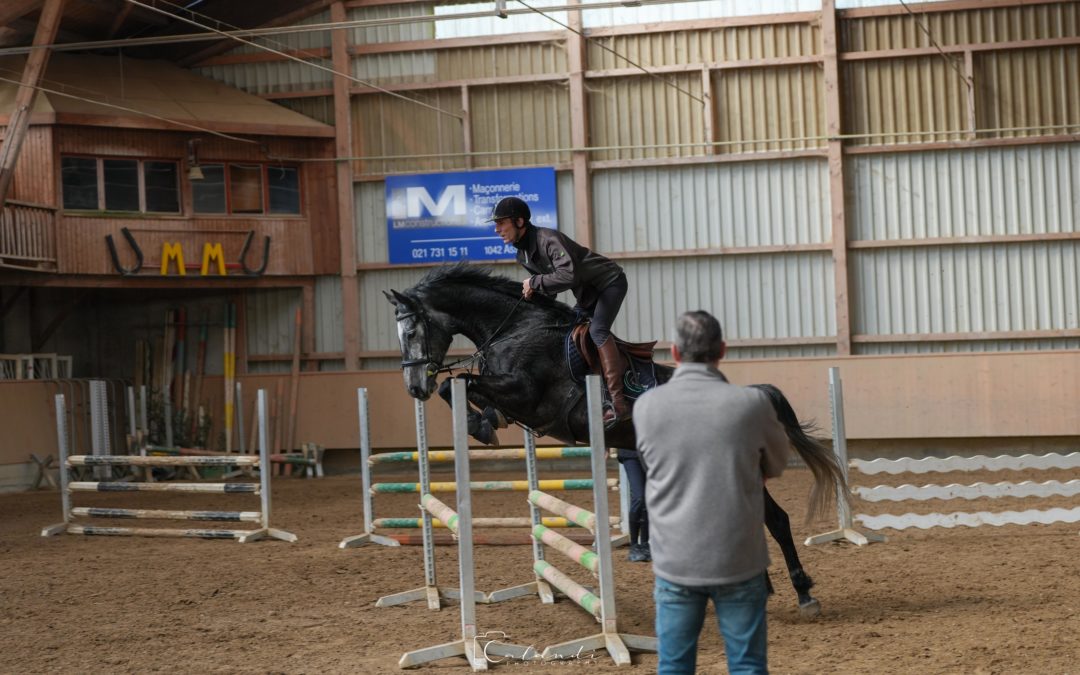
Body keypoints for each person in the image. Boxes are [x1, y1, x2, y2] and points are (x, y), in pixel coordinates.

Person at [633, 310, 789, 675]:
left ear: (674, 352)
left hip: (676, 560)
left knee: (674, 666)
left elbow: (653, 463)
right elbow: (778, 464)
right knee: (748, 665)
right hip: (739, 558)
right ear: (723, 349)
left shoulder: (647, 406)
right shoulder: (752, 403)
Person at [489, 196, 631, 426]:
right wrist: (531, 295)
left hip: (609, 283)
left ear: (520, 221)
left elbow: (568, 276)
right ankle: (592, 393)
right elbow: (551, 290)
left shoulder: (548, 239)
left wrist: (534, 283)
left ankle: (619, 402)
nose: (497, 229)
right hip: (587, 295)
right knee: (568, 334)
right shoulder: (522, 254)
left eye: (501, 223)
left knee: (598, 332)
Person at [616, 447, 650, 562]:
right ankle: (634, 546)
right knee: (639, 497)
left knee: (648, 499)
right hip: (630, 452)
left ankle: (645, 544)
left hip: (651, 451)